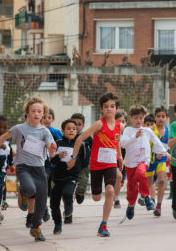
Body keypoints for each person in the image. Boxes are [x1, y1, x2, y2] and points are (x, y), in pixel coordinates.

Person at [0, 97, 56, 241]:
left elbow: (50, 151)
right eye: (33, 111)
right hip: (24, 167)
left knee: (41, 201)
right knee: (30, 189)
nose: (36, 114)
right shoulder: (19, 128)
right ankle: (22, 192)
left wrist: (53, 151)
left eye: (39, 111)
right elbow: (2, 137)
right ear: (28, 112)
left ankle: (36, 227)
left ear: (43, 114)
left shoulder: (45, 132)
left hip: (39, 168)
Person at [67, 93, 122, 237]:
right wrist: (73, 157)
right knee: (97, 197)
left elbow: (117, 141)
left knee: (110, 190)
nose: (109, 109)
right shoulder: (99, 124)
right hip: (96, 165)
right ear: (101, 109)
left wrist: (120, 156)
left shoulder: (119, 126)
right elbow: (79, 139)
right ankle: (86, 192)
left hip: (111, 163)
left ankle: (103, 224)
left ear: (116, 109)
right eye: (106, 107)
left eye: (112, 106)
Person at [120, 105, 167, 221]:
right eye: (136, 118)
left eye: (141, 118)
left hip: (143, 160)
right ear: (131, 118)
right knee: (131, 187)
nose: (138, 120)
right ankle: (131, 205)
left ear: (144, 118)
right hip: (130, 163)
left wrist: (162, 152)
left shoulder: (147, 131)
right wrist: (134, 137)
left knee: (141, 174)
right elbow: (123, 144)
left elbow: (157, 142)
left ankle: (146, 197)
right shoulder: (127, 130)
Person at [50, 119, 87, 234]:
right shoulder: (58, 143)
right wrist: (58, 157)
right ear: (62, 131)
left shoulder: (80, 145)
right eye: (68, 128)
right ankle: (58, 224)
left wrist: (78, 172)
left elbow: (83, 161)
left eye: (74, 129)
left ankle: (69, 208)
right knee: (54, 204)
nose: (71, 131)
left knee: (67, 193)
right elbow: (52, 161)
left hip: (72, 177)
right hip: (57, 177)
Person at [146, 106, 170, 217]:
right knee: (149, 183)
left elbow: (170, 145)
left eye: (163, 116)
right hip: (150, 159)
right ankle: (150, 199)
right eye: (158, 116)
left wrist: (169, 154)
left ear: (167, 118)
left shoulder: (169, 131)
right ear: (155, 118)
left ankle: (159, 206)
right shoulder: (151, 130)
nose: (161, 118)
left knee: (161, 181)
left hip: (162, 159)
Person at [70, 113, 92, 205]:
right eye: (74, 124)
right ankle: (69, 205)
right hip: (71, 166)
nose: (77, 126)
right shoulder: (69, 136)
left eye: (79, 124)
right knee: (70, 188)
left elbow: (94, 147)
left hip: (84, 166)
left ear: (83, 126)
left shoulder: (86, 137)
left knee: (82, 185)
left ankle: (80, 193)